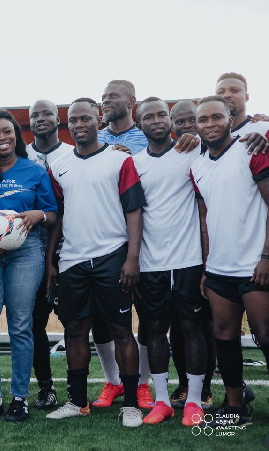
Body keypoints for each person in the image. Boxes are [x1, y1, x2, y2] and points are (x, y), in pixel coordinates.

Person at [46, 98, 145, 427]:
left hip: (112, 255)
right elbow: (60, 215)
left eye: (85, 118)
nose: (78, 124)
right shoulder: (59, 164)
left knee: (120, 329)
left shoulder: (119, 161)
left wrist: (132, 258)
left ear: (98, 119)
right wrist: (52, 261)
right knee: (75, 330)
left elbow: (133, 210)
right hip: (73, 260)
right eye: (72, 120)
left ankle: (130, 403)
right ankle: (77, 402)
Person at [0, 108, 57, 422]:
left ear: (17, 137)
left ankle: (20, 398)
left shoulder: (34, 171)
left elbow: (53, 214)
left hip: (26, 251)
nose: (2, 138)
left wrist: (38, 215)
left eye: (7, 132)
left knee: (20, 326)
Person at [191, 95, 269, 427]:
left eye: (216, 117)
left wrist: (267, 256)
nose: (210, 124)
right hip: (220, 268)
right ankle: (236, 409)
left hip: (255, 265)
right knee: (224, 336)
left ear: (231, 117)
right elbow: (206, 221)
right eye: (203, 120)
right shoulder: (197, 165)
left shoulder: (251, 149)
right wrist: (208, 267)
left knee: (265, 336)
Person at [132, 97, 207, 426]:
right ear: (140, 125)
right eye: (149, 116)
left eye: (162, 114)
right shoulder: (133, 163)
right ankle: (161, 400)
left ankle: (193, 401)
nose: (157, 120)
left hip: (188, 258)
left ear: (171, 120)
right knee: (156, 331)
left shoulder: (193, 150)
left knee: (191, 328)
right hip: (150, 262)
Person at [91, 80, 153, 410]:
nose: (105, 102)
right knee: (102, 317)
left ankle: (142, 384)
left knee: (142, 313)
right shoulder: (94, 138)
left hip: (145, 234)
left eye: (112, 96)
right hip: (104, 239)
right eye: (103, 97)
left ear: (132, 101)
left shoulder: (148, 135)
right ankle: (113, 382)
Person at [167, 100, 216, 411]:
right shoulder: (167, 155)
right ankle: (185, 385)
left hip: (208, 253)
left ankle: (206, 388)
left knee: (204, 326)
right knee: (177, 325)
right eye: (180, 122)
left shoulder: (210, 151)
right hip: (173, 254)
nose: (186, 126)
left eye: (191, 120)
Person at [26, 99, 72, 409]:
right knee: (34, 323)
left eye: (46, 113)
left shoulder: (73, 152)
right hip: (30, 252)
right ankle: (46, 387)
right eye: (35, 115)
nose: (41, 119)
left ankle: (77, 385)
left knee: (76, 321)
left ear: (58, 119)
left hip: (72, 250)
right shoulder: (21, 154)